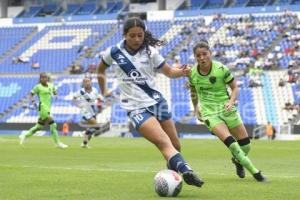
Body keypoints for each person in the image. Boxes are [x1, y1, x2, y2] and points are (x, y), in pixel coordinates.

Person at [97, 17, 204, 188]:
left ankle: (172, 182)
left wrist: (183, 72)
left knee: (175, 144)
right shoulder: (113, 52)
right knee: (163, 142)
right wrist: (103, 91)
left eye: (140, 35)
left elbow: (169, 72)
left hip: (157, 102)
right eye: (132, 36)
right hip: (136, 108)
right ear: (125, 35)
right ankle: (187, 170)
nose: (137, 39)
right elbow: (100, 69)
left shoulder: (150, 51)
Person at [188, 40, 267, 182]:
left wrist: (231, 101)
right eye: (198, 55)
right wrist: (196, 109)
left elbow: (235, 87)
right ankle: (257, 173)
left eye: (204, 54)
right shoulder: (192, 74)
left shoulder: (221, 69)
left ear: (210, 54)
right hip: (209, 113)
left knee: (246, 146)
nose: (201, 58)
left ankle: (237, 161)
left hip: (227, 109)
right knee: (233, 145)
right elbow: (193, 92)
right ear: (195, 57)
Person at [19, 73, 68, 149]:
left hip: (48, 107)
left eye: (45, 78)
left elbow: (55, 92)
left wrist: (56, 94)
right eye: (42, 78)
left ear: (47, 78)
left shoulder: (51, 85)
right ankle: (58, 143)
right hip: (42, 107)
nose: (44, 79)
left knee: (39, 126)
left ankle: (24, 136)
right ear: (40, 79)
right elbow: (31, 94)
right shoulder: (38, 87)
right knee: (53, 124)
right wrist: (33, 102)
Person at [73, 76, 103, 148]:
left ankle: (84, 144)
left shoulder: (95, 90)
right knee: (97, 126)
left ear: (91, 82)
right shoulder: (81, 91)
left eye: (88, 81)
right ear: (83, 83)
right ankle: (85, 133)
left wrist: (100, 105)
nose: (87, 83)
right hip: (85, 111)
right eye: (85, 81)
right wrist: (77, 105)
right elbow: (74, 98)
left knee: (92, 128)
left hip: (93, 111)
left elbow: (98, 98)